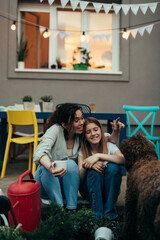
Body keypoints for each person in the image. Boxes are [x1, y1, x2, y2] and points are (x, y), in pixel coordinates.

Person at [33, 103, 124, 211]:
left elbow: (105, 138)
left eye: (82, 118)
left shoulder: (80, 133)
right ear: (64, 124)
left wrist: (116, 131)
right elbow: (40, 152)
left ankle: (72, 209)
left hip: (66, 185)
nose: (82, 122)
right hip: (47, 184)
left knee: (71, 164)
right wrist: (50, 167)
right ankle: (59, 210)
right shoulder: (55, 130)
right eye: (76, 120)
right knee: (46, 166)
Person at [78, 117, 125, 220]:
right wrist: (87, 165)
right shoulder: (82, 151)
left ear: (101, 130)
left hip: (109, 190)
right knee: (94, 171)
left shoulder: (109, 146)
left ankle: (110, 215)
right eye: (88, 132)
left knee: (114, 168)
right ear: (85, 136)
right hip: (90, 190)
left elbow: (123, 160)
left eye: (95, 129)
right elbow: (80, 179)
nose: (93, 134)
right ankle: (96, 216)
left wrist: (98, 156)